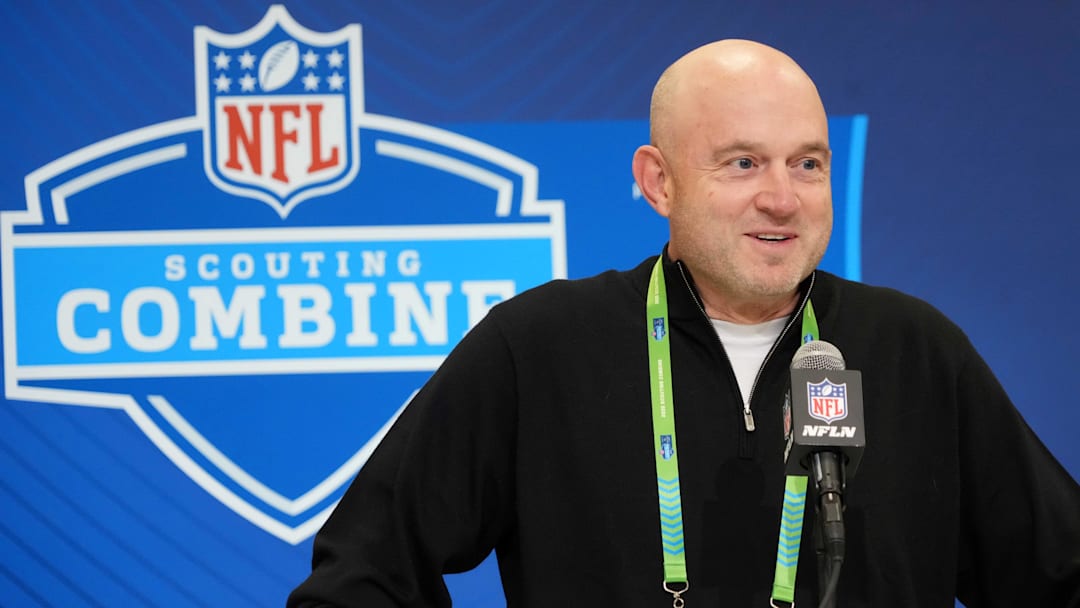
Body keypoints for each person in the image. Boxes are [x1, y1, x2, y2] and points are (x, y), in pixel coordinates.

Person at [288, 39, 1080, 607]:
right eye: (743, 163)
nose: (782, 197)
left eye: (807, 163)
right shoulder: (539, 348)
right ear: (658, 182)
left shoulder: (914, 350)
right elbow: (362, 575)